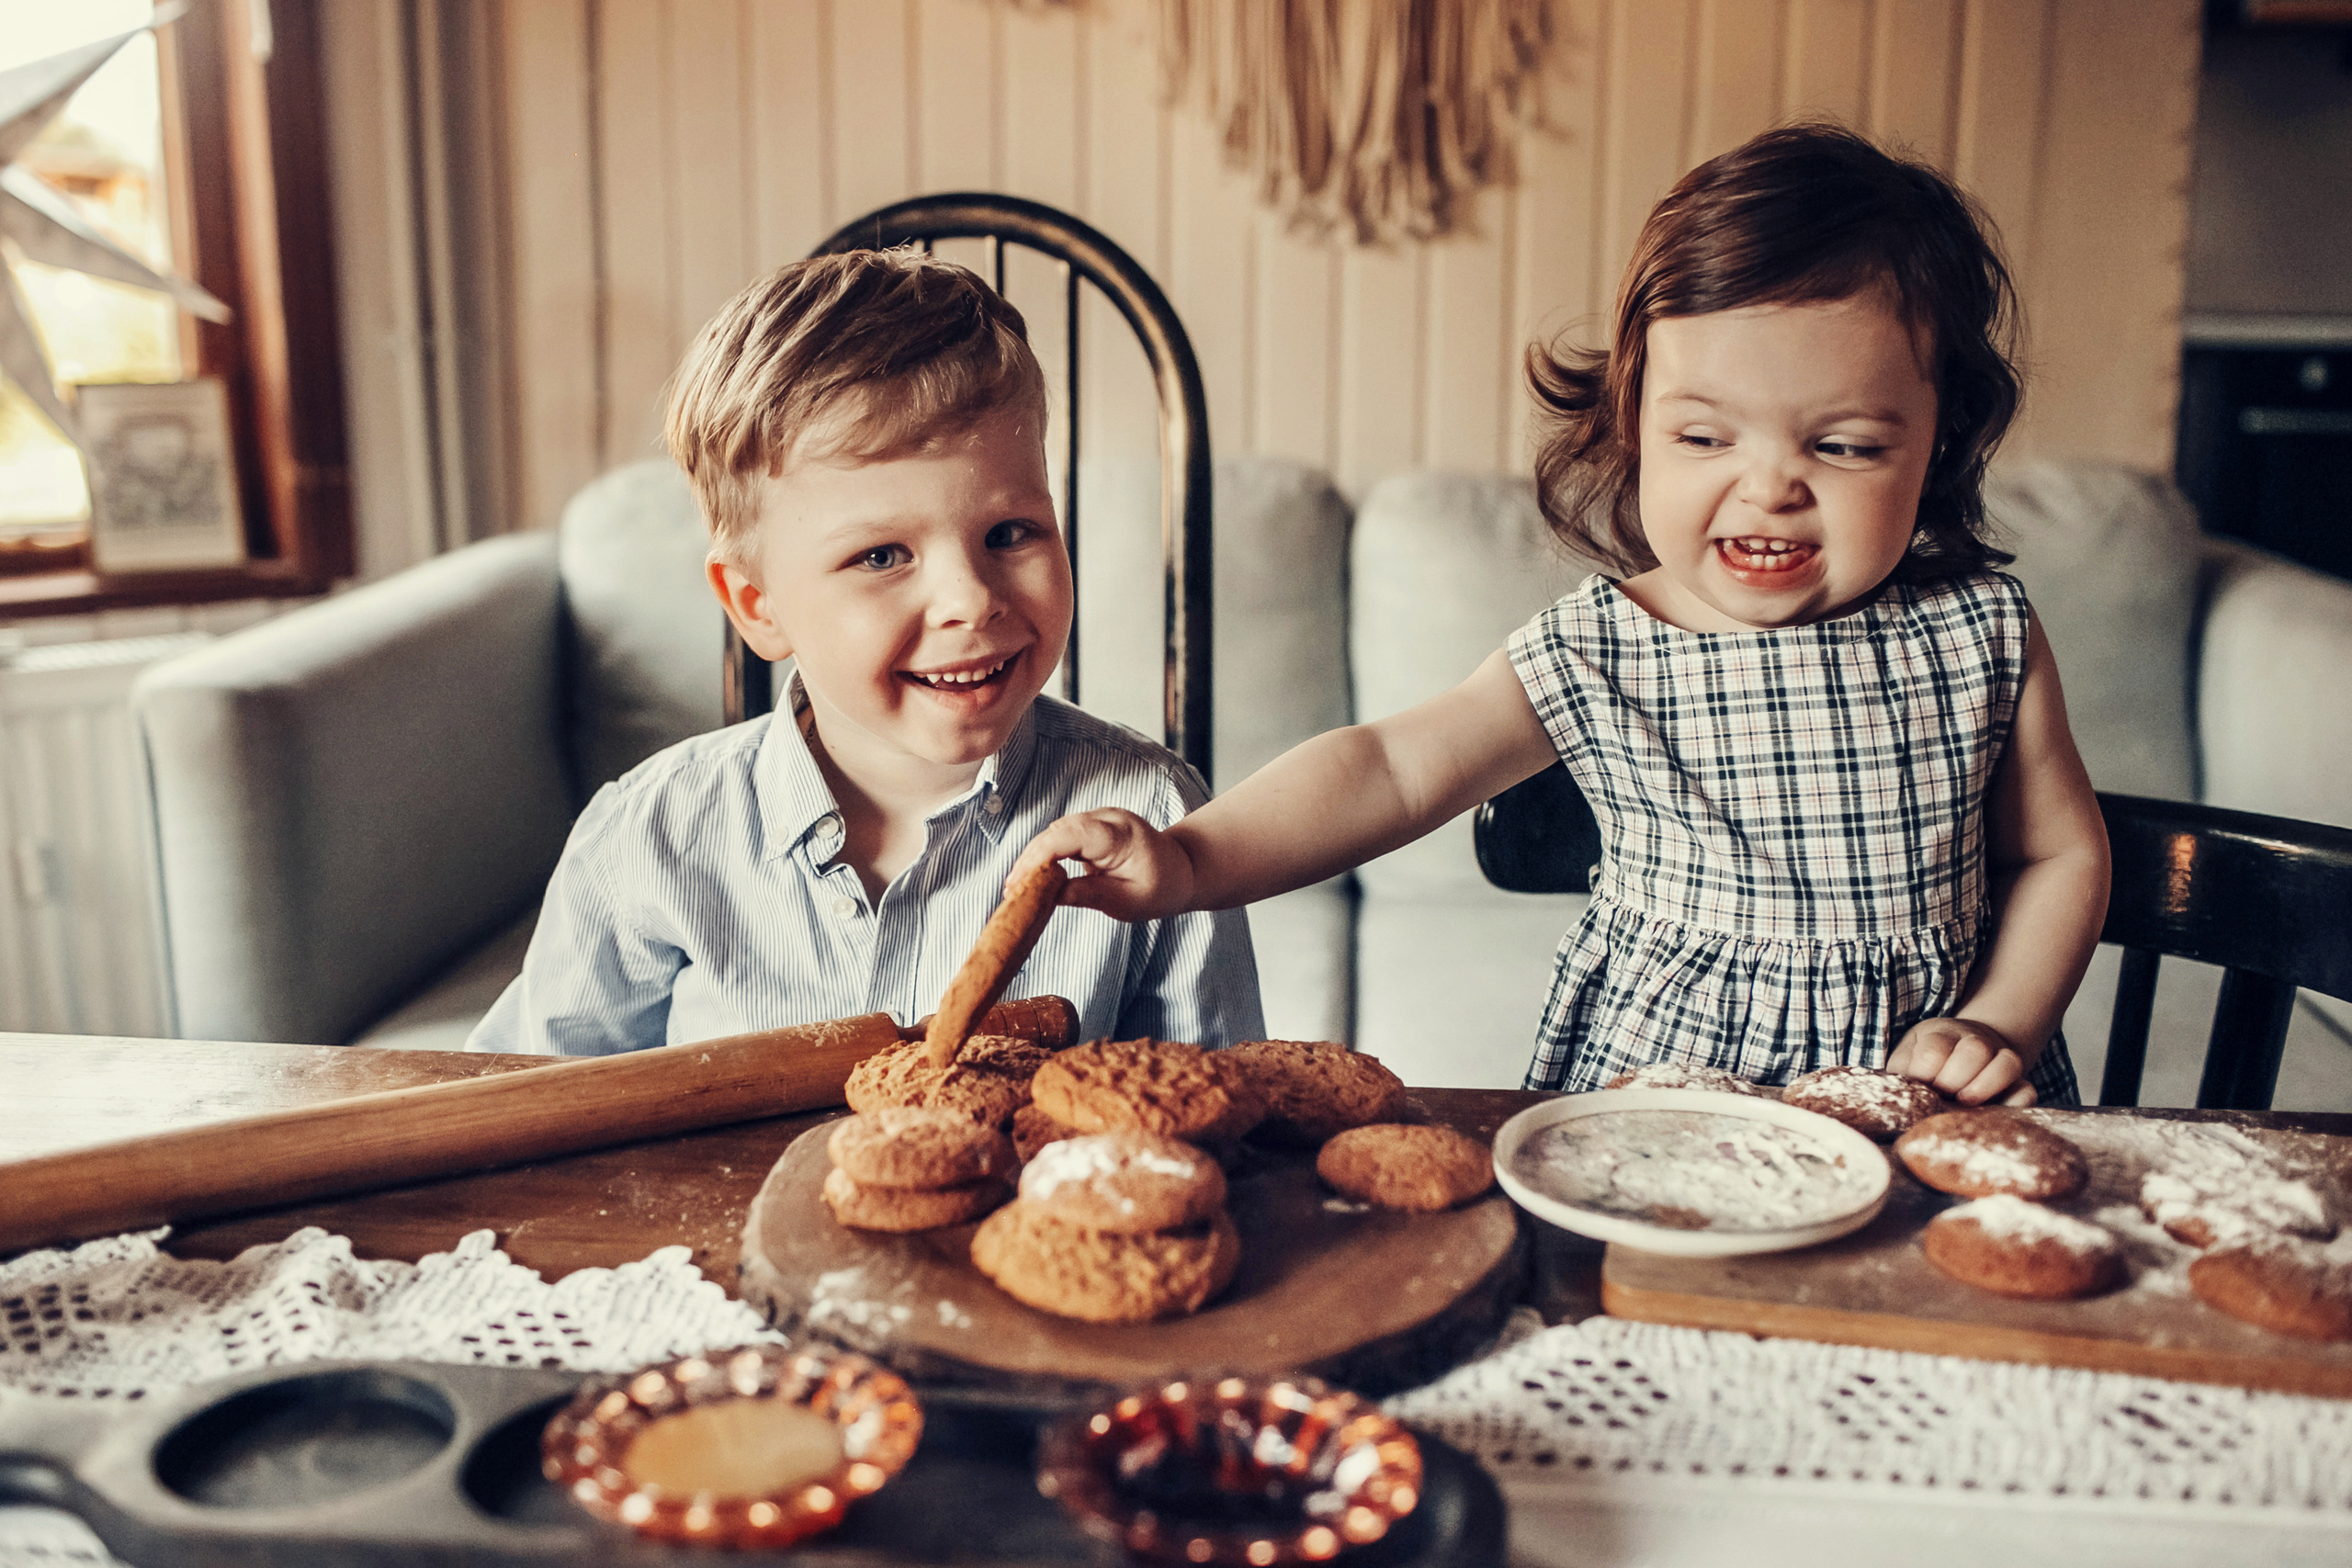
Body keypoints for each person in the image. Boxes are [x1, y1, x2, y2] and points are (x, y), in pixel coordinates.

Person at [1012, 123, 2109, 1106]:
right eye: (1704, 437)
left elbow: (2061, 855)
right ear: (1632, 420)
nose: (1769, 486)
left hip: (1917, 1110)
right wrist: (1192, 862)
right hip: (1666, 1108)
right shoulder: (1601, 650)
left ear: (1942, 437)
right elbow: (1392, 769)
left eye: (1841, 446)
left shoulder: (1981, 638)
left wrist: (2000, 1019)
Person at [469, 250, 1261, 1055]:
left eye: (1009, 533)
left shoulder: (1153, 823)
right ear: (756, 603)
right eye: (882, 556)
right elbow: (525, 1106)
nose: (972, 599)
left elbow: (1211, 1122)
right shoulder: (649, 843)